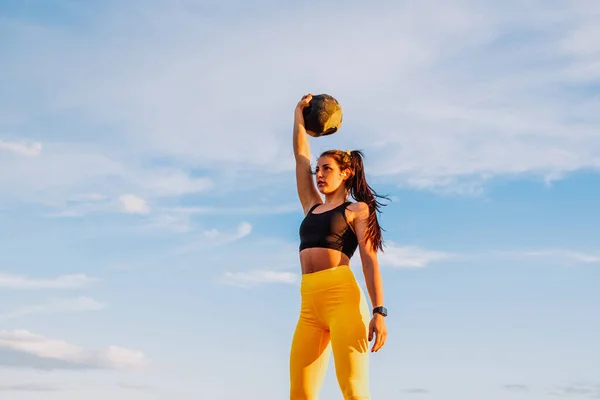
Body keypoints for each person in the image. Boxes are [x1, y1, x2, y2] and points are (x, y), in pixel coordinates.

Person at [290, 93, 390, 400]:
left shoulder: (357, 210)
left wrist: (379, 311)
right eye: (318, 170)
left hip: (343, 298)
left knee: (353, 390)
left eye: (327, 169)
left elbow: (370, 259)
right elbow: (301, 157)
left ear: (345, 172)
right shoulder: (311, 205)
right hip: (309, 303)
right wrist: (297, 115)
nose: (318, 175)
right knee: (301, 394)